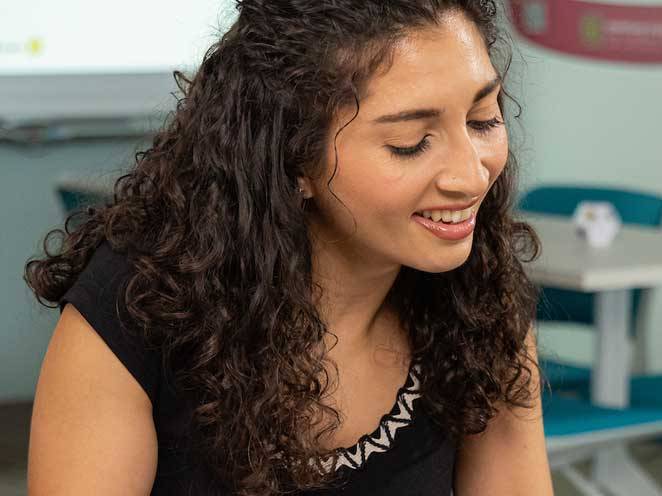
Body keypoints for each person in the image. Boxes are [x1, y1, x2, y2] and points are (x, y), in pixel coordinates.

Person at [23, 0, 554, 494]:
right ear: (294, 159)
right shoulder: (134, 310)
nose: (470, 175)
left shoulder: (482, 306)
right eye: (409, 143)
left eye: (483, 120)